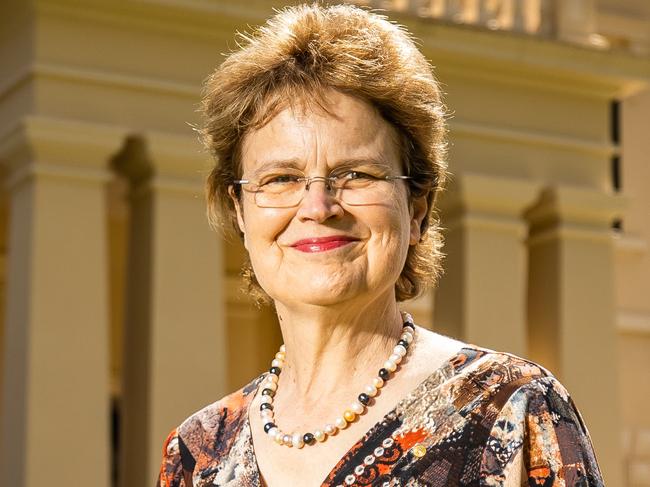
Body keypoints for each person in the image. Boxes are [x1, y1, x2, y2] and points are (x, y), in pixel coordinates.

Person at [157, 4, 603, 486]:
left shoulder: (510, 409)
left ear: (417, 208)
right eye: (281, 178)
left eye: (357, 174)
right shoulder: (197, 455)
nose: (318, 206)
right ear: (241, 212)